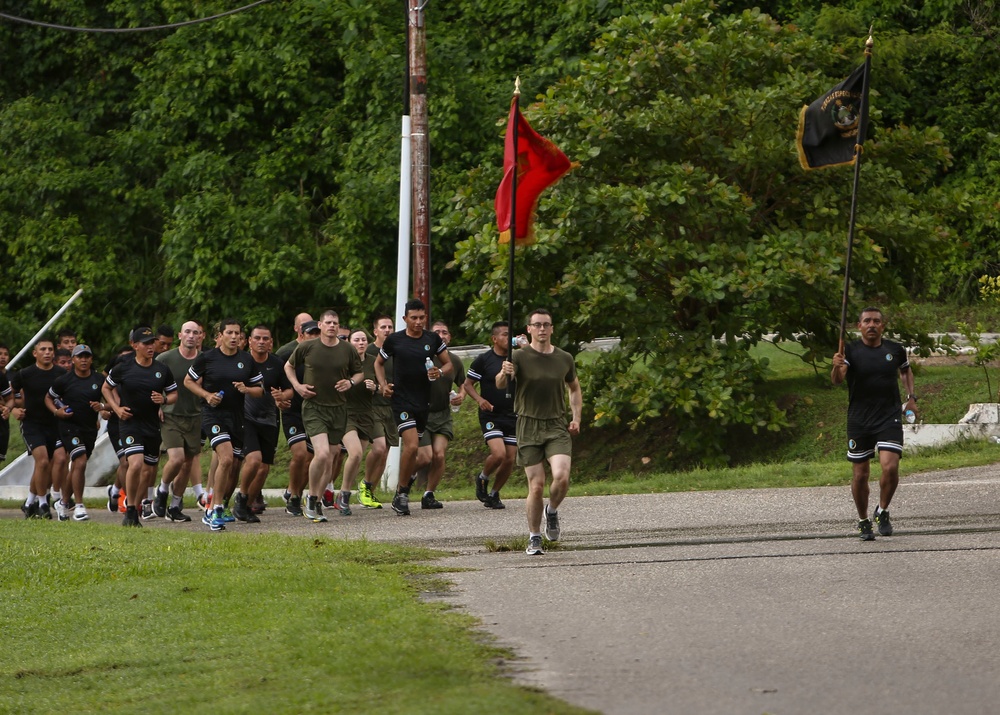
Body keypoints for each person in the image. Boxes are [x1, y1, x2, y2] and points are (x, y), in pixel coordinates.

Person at [498, 309, 582, 555]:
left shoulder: (564, 358)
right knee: (536, 486)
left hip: (556, 424)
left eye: (546, 325)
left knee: (562, 476)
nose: (542, 329)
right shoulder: (518, 356)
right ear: (529, 329)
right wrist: (505, 372)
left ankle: (552, 511)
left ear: (552, 329)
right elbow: (500, 383)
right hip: (528, 424)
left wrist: (576, 417)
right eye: (537, 325)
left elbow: (574, 388)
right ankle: (534, 536)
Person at [831, 306, 915, 541]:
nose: (871, 325)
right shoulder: (849, 350)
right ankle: (863, 520)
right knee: (860, 474)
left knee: (890, 466)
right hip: (859, 419)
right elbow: (838, 380)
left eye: (876, 321)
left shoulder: (895, 349)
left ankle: (883, 510)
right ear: (859, 326)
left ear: (882, 325)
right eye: (866, 321)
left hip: (888, 416)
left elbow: (906, 372)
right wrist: (837, 366)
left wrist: (911, 398)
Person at [374, 299, 453, 516]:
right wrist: (383, 385)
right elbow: (378, 364)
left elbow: (448, 363)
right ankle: (402, 494)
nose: (418, 322)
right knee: (410, 446)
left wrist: (440, 372)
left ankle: (403, 487)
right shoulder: (395, 341)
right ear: (405, 319)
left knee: (424, 456)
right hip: (401, 401)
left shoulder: (432, 339)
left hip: (423, 402)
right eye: (414, 318)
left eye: (421, 318)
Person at [185, 318, 264, 531]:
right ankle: (216, 507)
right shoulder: (207, 358)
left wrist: (246, 389)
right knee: (226, 457)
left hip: (237, 417)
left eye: (237, 333)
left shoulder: (246, 360)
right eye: (229, 333)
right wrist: (207, 395)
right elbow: (188, 381)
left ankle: (214, 506)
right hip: (213, 415)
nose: (234, 337)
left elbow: (260, 389)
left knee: (232, 463)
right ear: (220, 335)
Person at [284, 310, 363, 522]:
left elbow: (359, 372)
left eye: (335, 323)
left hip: (338, 408)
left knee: (333, 456)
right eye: (327, 322)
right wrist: (298, 386)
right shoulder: (307, 347)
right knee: (322, 454)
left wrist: (351, 382)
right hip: (314, 407)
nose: (331, 326)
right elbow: (288, 366)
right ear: (320, 324)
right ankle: (310, 498)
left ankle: (317, 499)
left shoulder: (347, 349)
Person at [103, 327, 178, 527]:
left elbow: (173, 395)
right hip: (129, 423)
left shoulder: (161, 369)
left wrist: (163, 399)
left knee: (148, 470)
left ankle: (135, 507)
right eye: (145, 343)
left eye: (152, 342)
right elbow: (106, 387)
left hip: (151, 425)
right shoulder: (123, 367)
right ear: (134, 345)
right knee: (134, 464)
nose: (151, 347)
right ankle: (129, 510)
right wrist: (117, 409)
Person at [233, 324, 292, 523]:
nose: (261, 342)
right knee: (254, 459)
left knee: (264, 467)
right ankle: (240, 497)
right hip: (245, 418)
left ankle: (247, 505)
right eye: (257, 338)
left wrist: (282, 396)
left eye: (265, 339)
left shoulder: (276, 363)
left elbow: (289, 389)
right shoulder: (240, 361)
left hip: (269, 418)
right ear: (249, 341)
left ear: (271, 342)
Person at [154, 320, 206, 522]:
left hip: (194, 415)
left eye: (196, 332)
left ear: (201, 336)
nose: (191, 336)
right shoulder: (165, 358)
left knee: (187, 463)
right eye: (188, 332)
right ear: (180, 335)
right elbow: (154, 381)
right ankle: (163, 489)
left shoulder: (205, 359)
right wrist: (158, 405)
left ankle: (175, 505)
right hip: (170, 414)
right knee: (176, 458)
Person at [47, 345, 106, 521]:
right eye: (80, 357)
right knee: (79, 461)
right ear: (73, 360)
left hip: (89, 428)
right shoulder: (64, 380)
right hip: (68, 426)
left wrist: (103, 408)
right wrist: (57, 411)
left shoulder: (99, 379)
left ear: (91, 359)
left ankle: (63, 503)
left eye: (87, 357)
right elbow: (49, 397)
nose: (84, 360)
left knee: (78, 466)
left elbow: (109, 400)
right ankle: (79, 506)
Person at [464, 321, 519, 509]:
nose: (508, 338)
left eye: (510, 334)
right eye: (504, 334)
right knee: (499, 454)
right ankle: (483, 477)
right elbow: (468, 384)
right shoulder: (484, 360)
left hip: (512, 414)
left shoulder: (517, 358)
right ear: (494, 339)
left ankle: (494, 494)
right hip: (491, 415)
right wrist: (480, 400)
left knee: (510, 458)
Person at [411, 320, 465, 509]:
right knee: (425, 457)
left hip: (442, 414)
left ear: (449, 337)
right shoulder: (420, 356)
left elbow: (463, 384)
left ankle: (429, 494)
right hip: (421, 413)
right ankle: (406, 479)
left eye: (445, 332)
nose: (441, 335)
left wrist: (460, 396)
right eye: (437, 332)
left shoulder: (454, 361)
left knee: (439, 455)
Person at [9, 338, 65, 519]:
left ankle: (29, 502)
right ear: (35, 353)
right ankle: (43, 504)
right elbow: (9, 395)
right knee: (42, 462)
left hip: (54, 424)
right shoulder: (25, 374)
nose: (47, 352)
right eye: (43, 349)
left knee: (48, 464)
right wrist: (14, 409)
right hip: (32, 424)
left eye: (50, 349)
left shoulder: (61, 373)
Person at [276, 316, 319, 516]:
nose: (314, 336)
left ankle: (296, 491)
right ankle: (293, 496)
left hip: (315, 411)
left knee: (312, 457)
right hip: (292, 411)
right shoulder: (286, 353)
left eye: (317, 333)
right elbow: (273, 380)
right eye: (311, 333)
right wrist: (278, 399)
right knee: (300, 453)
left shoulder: (324, 353)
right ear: (301, 334)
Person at [337, 328, 380, 515]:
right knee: (354, 453)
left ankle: (344, 492)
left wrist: (376, 387)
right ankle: (344, 494)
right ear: (349, 342)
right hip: (346, 413)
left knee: (357, 458)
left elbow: (384, 388)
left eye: (363, 340)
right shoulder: (343, 361)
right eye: (357, 340)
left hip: (366, 414)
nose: (361, 343)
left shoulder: (373, 361)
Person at [359, 314, 397, 509]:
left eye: (390, 327)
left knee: (386, 451)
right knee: (379, 447)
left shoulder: (397, 350)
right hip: (372, 406)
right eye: (383, 327)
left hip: (393, 407)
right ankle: (365, 484)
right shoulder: (370, 351)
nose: (387, 330)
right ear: (375, 331)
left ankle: (370, 493)